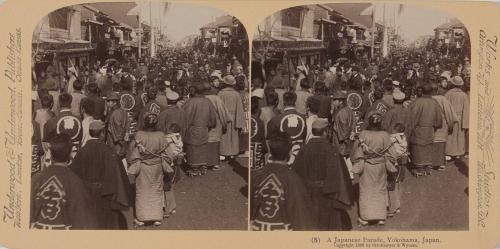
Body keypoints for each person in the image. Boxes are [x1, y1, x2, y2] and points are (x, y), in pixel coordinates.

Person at [292, 119, 353, 230]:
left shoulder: (303, 150)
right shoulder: (331, 150)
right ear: (326, 132)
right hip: (328, 195)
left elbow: (296, 174)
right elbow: (340, 176)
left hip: (308, 194)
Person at [70, 120, 131, 229]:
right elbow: (118, 177)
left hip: (86, 197)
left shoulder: (82, 152)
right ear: (103, 133)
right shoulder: (109, 152)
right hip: (106, 197)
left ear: (90, 133)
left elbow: (74, 176)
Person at [31, 134, 98, 229]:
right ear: (70, 153)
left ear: (50, 152)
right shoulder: (76, 183)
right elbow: (85, 223)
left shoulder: (36, 179)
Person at [250, 131, 314, 231]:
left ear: (270, 152)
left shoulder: (256, 175)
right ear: (289, 153)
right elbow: (302, 217)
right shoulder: (294, 180)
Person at [351, 113, 397, 226]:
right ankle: (381, 216)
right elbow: (392, 154)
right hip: (381, 165)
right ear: (380, 123)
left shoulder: (363, 134)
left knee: (366, 190)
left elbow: (355, 152)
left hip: (367, 166)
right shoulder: (385, 135)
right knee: (380, 189)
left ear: (369, 122)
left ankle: (365, 217)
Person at [127, 113, 169, 226]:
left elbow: (133, 151)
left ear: (145, 123)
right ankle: (157, 217)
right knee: (156, 189)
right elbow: (166, 153)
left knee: (142, 190)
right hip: (157, 166)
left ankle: (141, 218)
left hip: (143, 167)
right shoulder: (161, 135)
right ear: (156, 123)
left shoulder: (139, 135)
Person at [408, 83, 443, 176]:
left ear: (421, 91)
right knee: (427, 147)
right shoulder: (434, 102)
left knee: (418, 148)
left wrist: (409, 129)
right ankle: (427, 167)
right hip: (430, 129)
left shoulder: (417, 102)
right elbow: (439, 119)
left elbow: (411, 118)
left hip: (419, 129)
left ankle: (419, 168)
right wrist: (436, 126)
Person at [183, 83, 217, 176]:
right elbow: (213, 120)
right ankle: (201, 166)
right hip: (204, 129)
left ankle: (194, 168)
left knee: (192, 149)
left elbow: (184, 119)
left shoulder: (190, 102)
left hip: (192, 130)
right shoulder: (208, 102)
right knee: (202, 148)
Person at [267, 91, 307, 165]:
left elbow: (270, 140)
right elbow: (304, 137)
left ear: (283, 102)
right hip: (298, 157)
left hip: (281, 158)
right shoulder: (303, 118)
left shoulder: (275, 120)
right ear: (295, 102)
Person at [204, 82, 232, 170]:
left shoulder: (202, 98)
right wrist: (224, 123)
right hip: (216, 123)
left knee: (205, 142)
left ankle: (205, 163)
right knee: (215, 143)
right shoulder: (216, 98)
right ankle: (215, 164)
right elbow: (222, 112)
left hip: (204, 123)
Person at [218, 75, 246, 160]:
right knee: (233, 135)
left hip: (223, 117)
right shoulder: (236, 94)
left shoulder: (220, 94)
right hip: (234, 117)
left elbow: (218, 107)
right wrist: (240, 122)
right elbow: (240, 109)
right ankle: (232, 153)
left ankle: (222, 153)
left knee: (223, 135)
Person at [432, 83, 458, 170]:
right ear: (437, 90)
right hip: (442, 125)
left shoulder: (428, 99)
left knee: (432, 144)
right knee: (441, 145)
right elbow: (449, 113)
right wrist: (450, 125)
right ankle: (441, 164)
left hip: (431, 126)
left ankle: (431, 163)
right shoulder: (443, 99)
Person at [445, 76, 469, 160]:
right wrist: (465, 123)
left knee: (450, 135)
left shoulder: (448, 94)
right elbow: (466, 110)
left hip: (450, 117)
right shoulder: (464, 95)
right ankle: (458, 153)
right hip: (460, 118)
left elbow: (445, 108)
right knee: (459, 135)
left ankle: (449, 153)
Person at [105, 92, 130, 158]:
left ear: (115, 102)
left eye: (108, 101)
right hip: (121, 143)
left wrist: (122, 144)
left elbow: (118, 132)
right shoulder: (122, 111)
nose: (107, 103)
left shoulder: (115, 113)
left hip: (116, 145)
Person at [250, 96, 266, 171]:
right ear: (257, 109)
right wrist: (265, 149)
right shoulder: (260, 122)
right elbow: (262, 139)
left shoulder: (245, 121)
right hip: (257, 151)